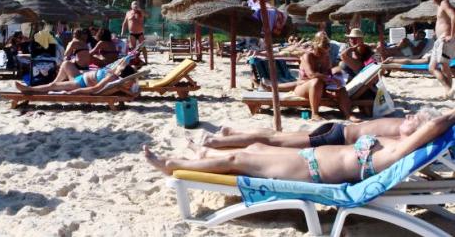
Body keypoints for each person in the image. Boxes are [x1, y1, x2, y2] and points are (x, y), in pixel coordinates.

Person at [144, 110, 455, 183]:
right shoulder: (396, 144)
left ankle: (172, 165)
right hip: (309, 158)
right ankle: (205, 152)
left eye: (417, 119)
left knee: (240, 158)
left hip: (311, 169)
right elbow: (431, 128)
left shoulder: (398, 152)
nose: (411, 116)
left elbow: (433, 126)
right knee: (255, 147)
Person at [196, 107, 441, 152]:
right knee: (275, 140)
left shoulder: (403, 132)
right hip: (333, 136)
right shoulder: (401, 131)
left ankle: (232, 135)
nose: (408, 115)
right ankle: (218, 142)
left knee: (275, 138)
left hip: (335, 133)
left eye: (414, 117)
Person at [293, 33, 358, 122]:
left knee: (341, 88)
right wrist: (330, 78)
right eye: (320, 51)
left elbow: (329, 73)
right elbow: (311, 75)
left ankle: (348, 114)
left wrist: (336, 78)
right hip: (304, 87)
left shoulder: (326, 57)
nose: (322, 54)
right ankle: (314, 113)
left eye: (325, 52)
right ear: (315, 47)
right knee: (316, 81)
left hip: (321, 88)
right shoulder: (307, 56)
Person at [15, 61, 137, 95]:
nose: (119, 67)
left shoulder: (112, 77)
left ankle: (29, 89)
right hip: (80, 77)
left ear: (121, 73)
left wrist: (75, 92)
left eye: (120, 68)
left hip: (79, 84)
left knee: (53, 86)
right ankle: (50, 86)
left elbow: (95, 89)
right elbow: (134, 89)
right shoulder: (115, 73)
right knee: (66, 63)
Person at [428, 0, 455, 98]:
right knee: (432, 68)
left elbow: (454, 16)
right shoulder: (439, 6)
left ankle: (448, 91)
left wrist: (452, 36)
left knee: (443, 67)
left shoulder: (445, 3)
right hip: (439, 41)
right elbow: (443, 21)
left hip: (446, 39)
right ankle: (449, 91)